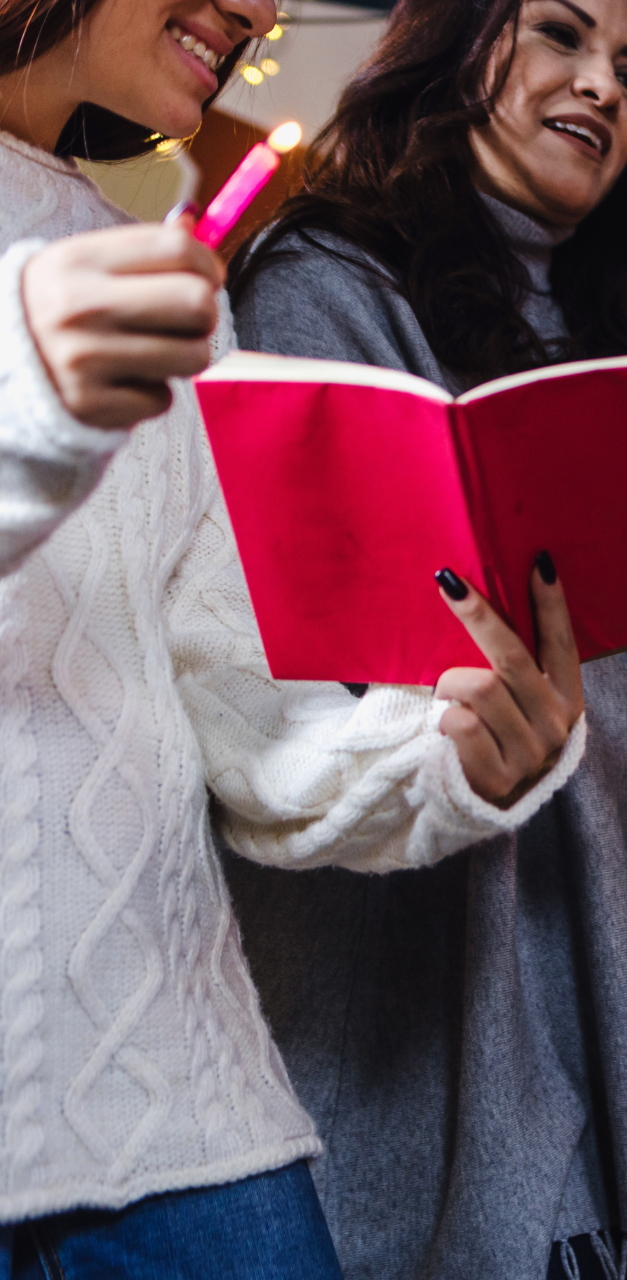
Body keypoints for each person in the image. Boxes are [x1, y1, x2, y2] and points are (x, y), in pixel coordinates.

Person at [218, 0, 627, 1275]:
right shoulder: (321, 287)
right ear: (452, 38)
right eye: (562, 34)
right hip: (448, 948)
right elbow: (371, 649)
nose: (604, 86)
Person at [0, 0, 593, 1272]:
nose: (262, 10)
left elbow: (254, 735)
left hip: (184, 1133)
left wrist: (449, 754)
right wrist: (30, 410)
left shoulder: (166, 288)